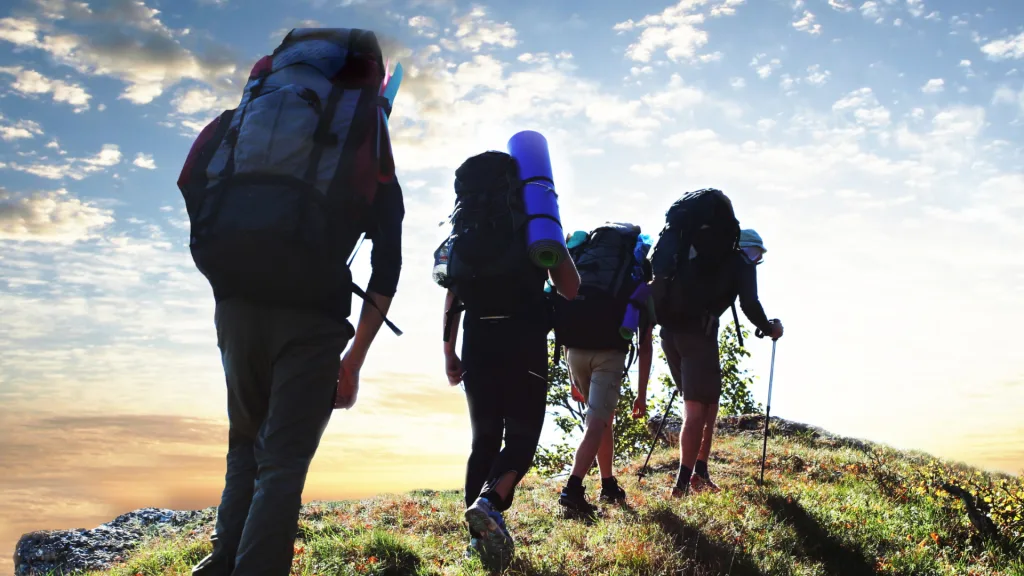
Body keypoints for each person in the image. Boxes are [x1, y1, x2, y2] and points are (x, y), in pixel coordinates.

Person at [179, 28, 404, 576]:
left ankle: (222, 563)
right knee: (281, 466)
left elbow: (191, 181)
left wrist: (237, 263)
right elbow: (388, 262)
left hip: (235, 305)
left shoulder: (246, 113)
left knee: (244, 447)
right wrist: (352, 362)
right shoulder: (366, 133)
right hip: (311, 316)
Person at [436, 150, 580, 570]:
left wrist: (449, 351)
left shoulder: (466, 229)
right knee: (520, 437)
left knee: (483, 439)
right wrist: (552, 241)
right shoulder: (533, 226)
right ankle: (491, 500)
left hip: (477, 338)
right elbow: (570, 288)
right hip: (524, 339)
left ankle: (476, 541)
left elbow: (452, 292)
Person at [661, 228, 782, 496]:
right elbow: (750, 303)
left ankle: (700, 472)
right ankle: (682, 485)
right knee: (695, 411)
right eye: (755, 254)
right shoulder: (740, 262)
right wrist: (769, 327)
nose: (754, 259)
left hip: (669, 334)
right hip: (698, 337)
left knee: (709, 404)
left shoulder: (699, 257)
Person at [552, 224, 656, 514]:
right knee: (596, 423)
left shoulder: (585, 262)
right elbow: (645, 343)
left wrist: (571, 372)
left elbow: (566, 310)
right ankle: (572, 489)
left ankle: (608, 484)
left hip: (574, 352)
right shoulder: (635, 273)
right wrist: (642, 395)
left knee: (602, 419)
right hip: (608, 355)